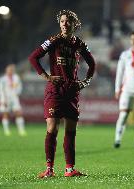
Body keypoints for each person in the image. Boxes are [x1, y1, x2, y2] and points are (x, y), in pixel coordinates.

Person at [28, 10, 95, 178]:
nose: (65, 24)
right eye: (63, 21)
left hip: (72, 90)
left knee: (71, 130)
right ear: (60, 24)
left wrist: (86, 81)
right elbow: (33, 58)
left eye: (68, 21)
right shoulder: (53, 41)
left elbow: (92, 63)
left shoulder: (79, 43)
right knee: (52, 128)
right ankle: (49, 169)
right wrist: (47, 77)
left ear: (75, 24)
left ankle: (69, 169)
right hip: (55, 90)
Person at [0, 64, 26, 136]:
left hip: (14, 98)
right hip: (6, 98)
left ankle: (21, 130)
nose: (11, 71)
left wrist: (18, 93)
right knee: (6, 114)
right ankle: (6, 131)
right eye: (9, 70)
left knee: (19, 113)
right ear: (6, 71)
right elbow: (1, 90)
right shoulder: (2, 79)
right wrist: (3, 100)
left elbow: (19, 86)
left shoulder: (16, 77)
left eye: (12, 70)